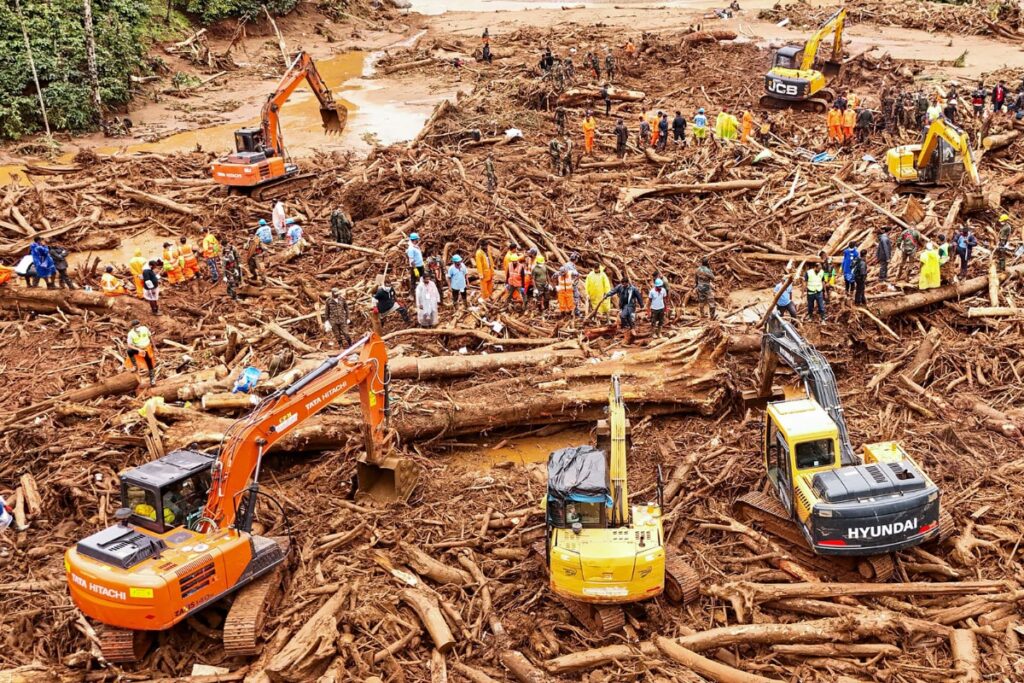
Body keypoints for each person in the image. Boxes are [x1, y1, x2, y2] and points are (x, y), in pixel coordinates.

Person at [126, 320, 156, 386]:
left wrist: (155, 347)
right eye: (136, 326)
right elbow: (129, 345)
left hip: (147, 349)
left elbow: (150, 337)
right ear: (133, 327)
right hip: (138, 349)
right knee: (129, 351)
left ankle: (152, 379)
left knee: (149, 364)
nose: (138, 327)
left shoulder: (144, 329)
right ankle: (135, 365)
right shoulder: (131, 334)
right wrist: (138, 350)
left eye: (139, 325)